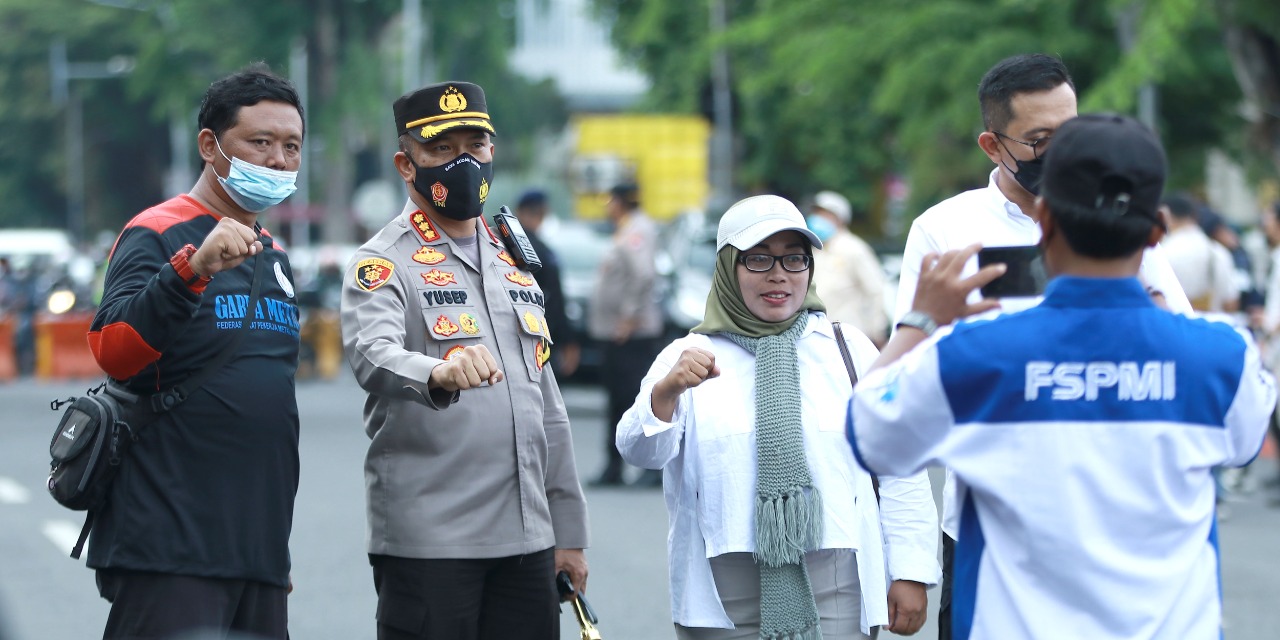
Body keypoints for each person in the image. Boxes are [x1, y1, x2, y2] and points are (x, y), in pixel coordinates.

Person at [851, 114, 1275, 640]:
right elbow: (1243, 444)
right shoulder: (1223, 357)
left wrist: (919, 321)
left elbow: (870, 434)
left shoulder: (976, 355)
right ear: (1156, 231)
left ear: (1044, 221)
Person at [893, 53, 1193, 640]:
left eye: (1072, 132)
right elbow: (905, 391)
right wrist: (908, 561)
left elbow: (1178, 343)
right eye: (1039, 139)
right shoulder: (945, 232)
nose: (1062, 152)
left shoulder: (1120, 217)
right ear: (991, 144)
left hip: (1109, 522)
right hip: (987, 526)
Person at [617, 194, 939, 639]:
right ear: (728, 267)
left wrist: (911, 570)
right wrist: (666, 393)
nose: (779, 275)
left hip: (837, 582)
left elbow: (900, 463)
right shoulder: (688, 356)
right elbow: (640, 452)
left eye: (794, 259)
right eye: (759, 259)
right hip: (722, 589)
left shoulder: (849, 351)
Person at [340, 81, 589, 640]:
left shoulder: (513, 259)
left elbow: (547, 405)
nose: (464, 162)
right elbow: (369, 354)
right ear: (408, 163)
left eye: (475, 145)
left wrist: (567, 531)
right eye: (443, 149)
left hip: (528, 540)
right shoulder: (384, 259)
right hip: (433, 541)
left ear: (492, 151)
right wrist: (436, 371)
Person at [85, 65, 305, 639]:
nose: (279, 161)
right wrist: (192, 269)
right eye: (260, 142)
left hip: (255, 548)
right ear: (211, 146)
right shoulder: (157, 232)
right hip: (169, 542)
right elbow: (114, 351)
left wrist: (272, 551)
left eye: (291, 146)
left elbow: (268, 404)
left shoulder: (274, 257)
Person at [588, 183, 664, 486]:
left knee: (635, 397)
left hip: (631, 335)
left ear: (620, 202)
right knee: (619, 400)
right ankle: (615, 466)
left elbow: (643, 274)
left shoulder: (637, 230)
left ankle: (650, 466)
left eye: (609, 201)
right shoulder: (626, 228)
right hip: (619, 333)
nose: (607, 207)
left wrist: (628, 318)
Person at [806, 190, 889, 345]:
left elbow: (875, 291)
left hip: (848, 338)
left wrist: (877, 331)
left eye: (824, 214)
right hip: (815, 336)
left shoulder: (854, 249)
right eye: (816, 213)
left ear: (839, 219)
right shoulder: (813, 249)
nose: (817, 218)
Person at [515, 189, 581, 377]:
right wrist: (568, 340)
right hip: (540, 335)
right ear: (544, 212)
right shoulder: (542, 251)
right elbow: (555, 300)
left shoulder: (499, 245)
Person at [1161, 193, 1239, 313]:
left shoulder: (1164, 253)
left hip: (1177, 326)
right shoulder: (1218, 251)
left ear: (1166, 216)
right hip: (1213, 326)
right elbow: (1231, 303)